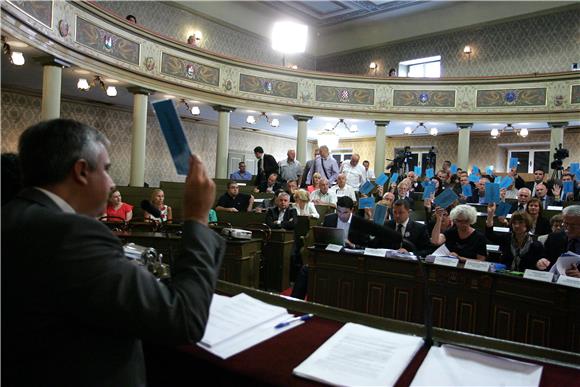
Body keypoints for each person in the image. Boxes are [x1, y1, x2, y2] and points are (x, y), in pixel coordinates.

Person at [2, 119, 224, 386]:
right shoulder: (72, 234)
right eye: (106, 170)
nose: (111, 184)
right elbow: (183, 319)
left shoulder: (11, 215)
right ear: (81, 171)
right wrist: (198, 218)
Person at [486, 205, 545, 271]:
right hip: (505, 275)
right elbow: (490, 235)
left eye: (521, 223)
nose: (517, 226)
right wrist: (490, 215)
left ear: (527, 224)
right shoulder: (507, 238)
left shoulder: (536, 244)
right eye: (514, 223)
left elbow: (540, 265)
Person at [536, 205, 580, 277]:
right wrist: (541, 262)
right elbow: (544, 257)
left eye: (573, 225)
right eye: (565, 224)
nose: (568, 228)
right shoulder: (554, 238)